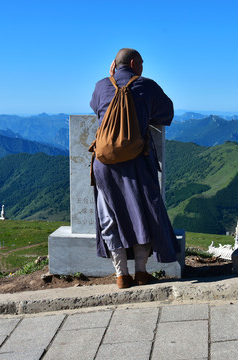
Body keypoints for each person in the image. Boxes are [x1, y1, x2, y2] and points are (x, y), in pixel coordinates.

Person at [90, 48, 180, 289]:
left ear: (115, 65)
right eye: (141, 64)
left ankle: (121, 275)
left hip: (104, 164)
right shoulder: (146, 85)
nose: (143, 68)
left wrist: (110, 78)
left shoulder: (100, 85)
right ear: (133, 63)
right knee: (144, 214)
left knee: (108, 216)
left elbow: (96, 108)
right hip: (137, 161)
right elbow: (166, 112)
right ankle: (141, 271)